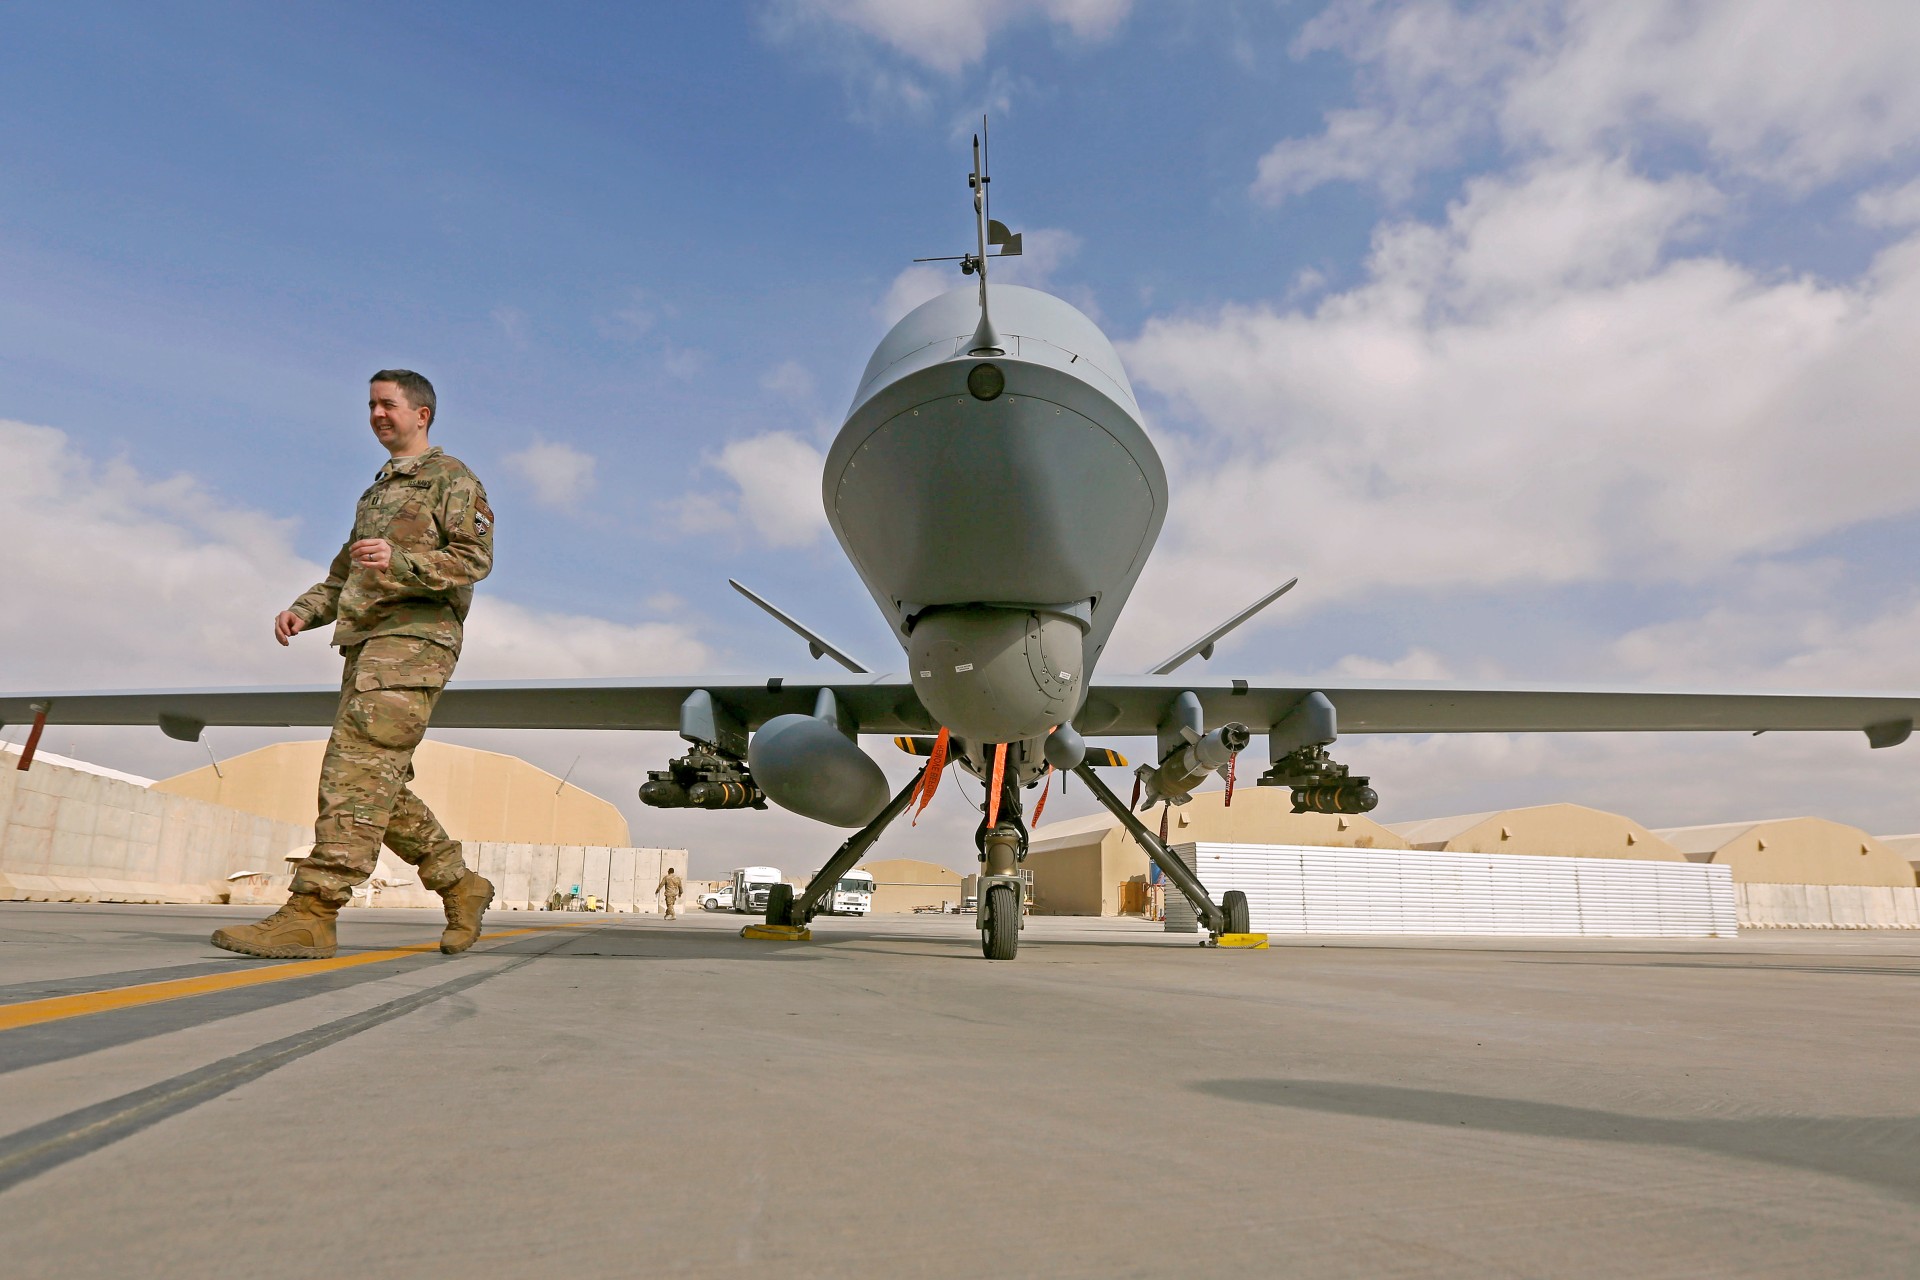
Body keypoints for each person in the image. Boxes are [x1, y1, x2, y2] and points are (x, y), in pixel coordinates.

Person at [212, 370, 496, 960]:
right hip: (366, 644)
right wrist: (304, 609)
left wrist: (401, 560)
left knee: (353, 772)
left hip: (414, 642)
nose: (376, 414)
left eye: (388, 404)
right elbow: (345, 576)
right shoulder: (375, 496)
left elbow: (473, 559)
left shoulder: (452, 478)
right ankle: (460, 884)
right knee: (374, 780)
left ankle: (314, 913)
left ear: (421, 414)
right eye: (370, 405)